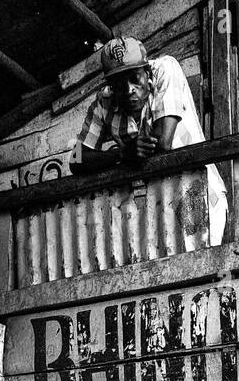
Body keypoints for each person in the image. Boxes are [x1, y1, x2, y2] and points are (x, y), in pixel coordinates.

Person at [69, 36, 228, 247]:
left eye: (135, 78)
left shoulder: (165, 68)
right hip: (157, 210)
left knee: (204, 270)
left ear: (147, 72)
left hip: (200, 196)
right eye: (118, 84)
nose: (128, 90)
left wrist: (126, 154)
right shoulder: (103, 103)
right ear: (110, 86)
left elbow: (162, 142)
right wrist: (122, 153)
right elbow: (76, 159)